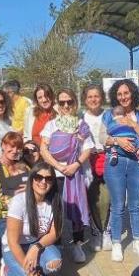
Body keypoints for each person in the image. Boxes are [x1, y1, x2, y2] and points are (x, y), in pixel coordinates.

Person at [40, 89, 94, 263]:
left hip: (76, 174)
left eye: (69, 102)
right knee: (55, 210)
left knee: (77, 209)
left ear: (75, 103)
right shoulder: (51, 125)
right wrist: (58, 166)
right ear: (57, 104)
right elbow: (43, 149)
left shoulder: (82, 125)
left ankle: (77, 244)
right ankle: (56, 243)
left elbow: (88, 148)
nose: (65, 105)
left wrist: (75, 164)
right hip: (55, 174)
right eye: (62, 102)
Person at [102, 79, 139, 262]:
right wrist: (118, 141)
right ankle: (116, 242)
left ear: (132, 94)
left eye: (126, 93)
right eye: (119, 94)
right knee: (117, 205)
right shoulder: (109, 115)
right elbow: (102, 138)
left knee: (136, 204)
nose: (123, 97)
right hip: (116, 163)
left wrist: (133, 124)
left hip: (138, 164)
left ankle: (137, 240)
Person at [3, 161, 64, 276]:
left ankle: (44, 275)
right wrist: (30, 273)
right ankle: (11, 271)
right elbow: (13, 242)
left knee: (55, 264)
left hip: (37, 244)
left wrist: (36, 248)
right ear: (32, 179)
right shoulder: (19, 201)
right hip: (15, 249)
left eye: (48, 178)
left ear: (53, 182)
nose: (43, 182)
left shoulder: (55, 201)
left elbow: (55, 233)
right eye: (38, 177)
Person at [0, 131, 31, 276]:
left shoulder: (23, 166)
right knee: (16, 240)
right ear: (3, 146)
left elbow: (35, 185)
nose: (15, 150)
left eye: (18, 147)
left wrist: (30, 189)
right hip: (3, 216)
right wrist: (19, 196)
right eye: (11, 146)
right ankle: (12, 270)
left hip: (26, 213)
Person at [81, 84, 111, 252]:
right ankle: (95, 231)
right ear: (85, 100)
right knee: (91, 198)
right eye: (90, 97)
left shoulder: (109, 115)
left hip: (107, 158)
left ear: (102, 98)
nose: (93, 99)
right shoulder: (81, 117)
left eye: (96, 96)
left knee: (108, 198)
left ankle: (107, 230)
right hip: (87, 160)